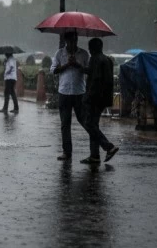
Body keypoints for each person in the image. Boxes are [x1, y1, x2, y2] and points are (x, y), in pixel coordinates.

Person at [50, 32, 89, 161]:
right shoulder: (59, 53)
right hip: (64, 92)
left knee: (85, 121)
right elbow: (53, 70)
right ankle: (67, 152)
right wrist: (67, 64)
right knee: (65, 124)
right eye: (71, 40)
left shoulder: (83, 54)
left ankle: (95, 150)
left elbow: (89, 70)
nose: (73, 43)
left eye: (75, 40)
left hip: (79, 92)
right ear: (66, 41)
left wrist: (77, 65)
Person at [80, 38, 119, 164]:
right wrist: (80, 67)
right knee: (94, 126)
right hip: (104, 99)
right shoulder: (107, 59)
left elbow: (96, 80)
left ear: (93, 48)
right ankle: (94, 156)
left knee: (89, 124)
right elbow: (97, 75)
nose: (89, 51)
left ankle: (108, 147)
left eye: (90, 48)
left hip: (94, 98)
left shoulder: (95, 59)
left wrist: (87, 97)